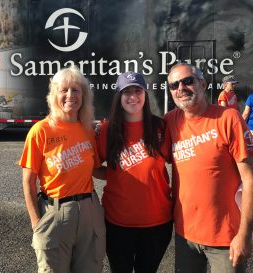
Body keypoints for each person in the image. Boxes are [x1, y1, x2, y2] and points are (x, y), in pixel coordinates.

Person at [164, 63, 253, 273]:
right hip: (185, 235)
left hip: (226, 238)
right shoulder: (169, 122)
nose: (181, 88)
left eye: (187, 81)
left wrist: (244, 235)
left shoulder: (229, 119)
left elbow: (250, 179)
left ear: (202, 84)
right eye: (174, 84)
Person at [19, 65, 105, 273]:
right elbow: (28, 181)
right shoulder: (41, 131)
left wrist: (128, 173)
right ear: (54, 95)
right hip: (55, 212)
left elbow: (96, 169)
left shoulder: (87, 130)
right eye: (64, 90)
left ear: (83, 96)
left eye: (76, 90)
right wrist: (36, 224)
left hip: (89, 210)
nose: (70, 95)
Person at [95, 71, 173, 273]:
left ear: (145, 94)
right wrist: (116, 175)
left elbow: (178, 161)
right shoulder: (107, 130)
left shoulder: (160, 127)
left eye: (137, 90)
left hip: (157, 222)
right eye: (126, 92)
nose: (133, 97)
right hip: (117, 223)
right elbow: (94, 167)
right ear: (118, 97)